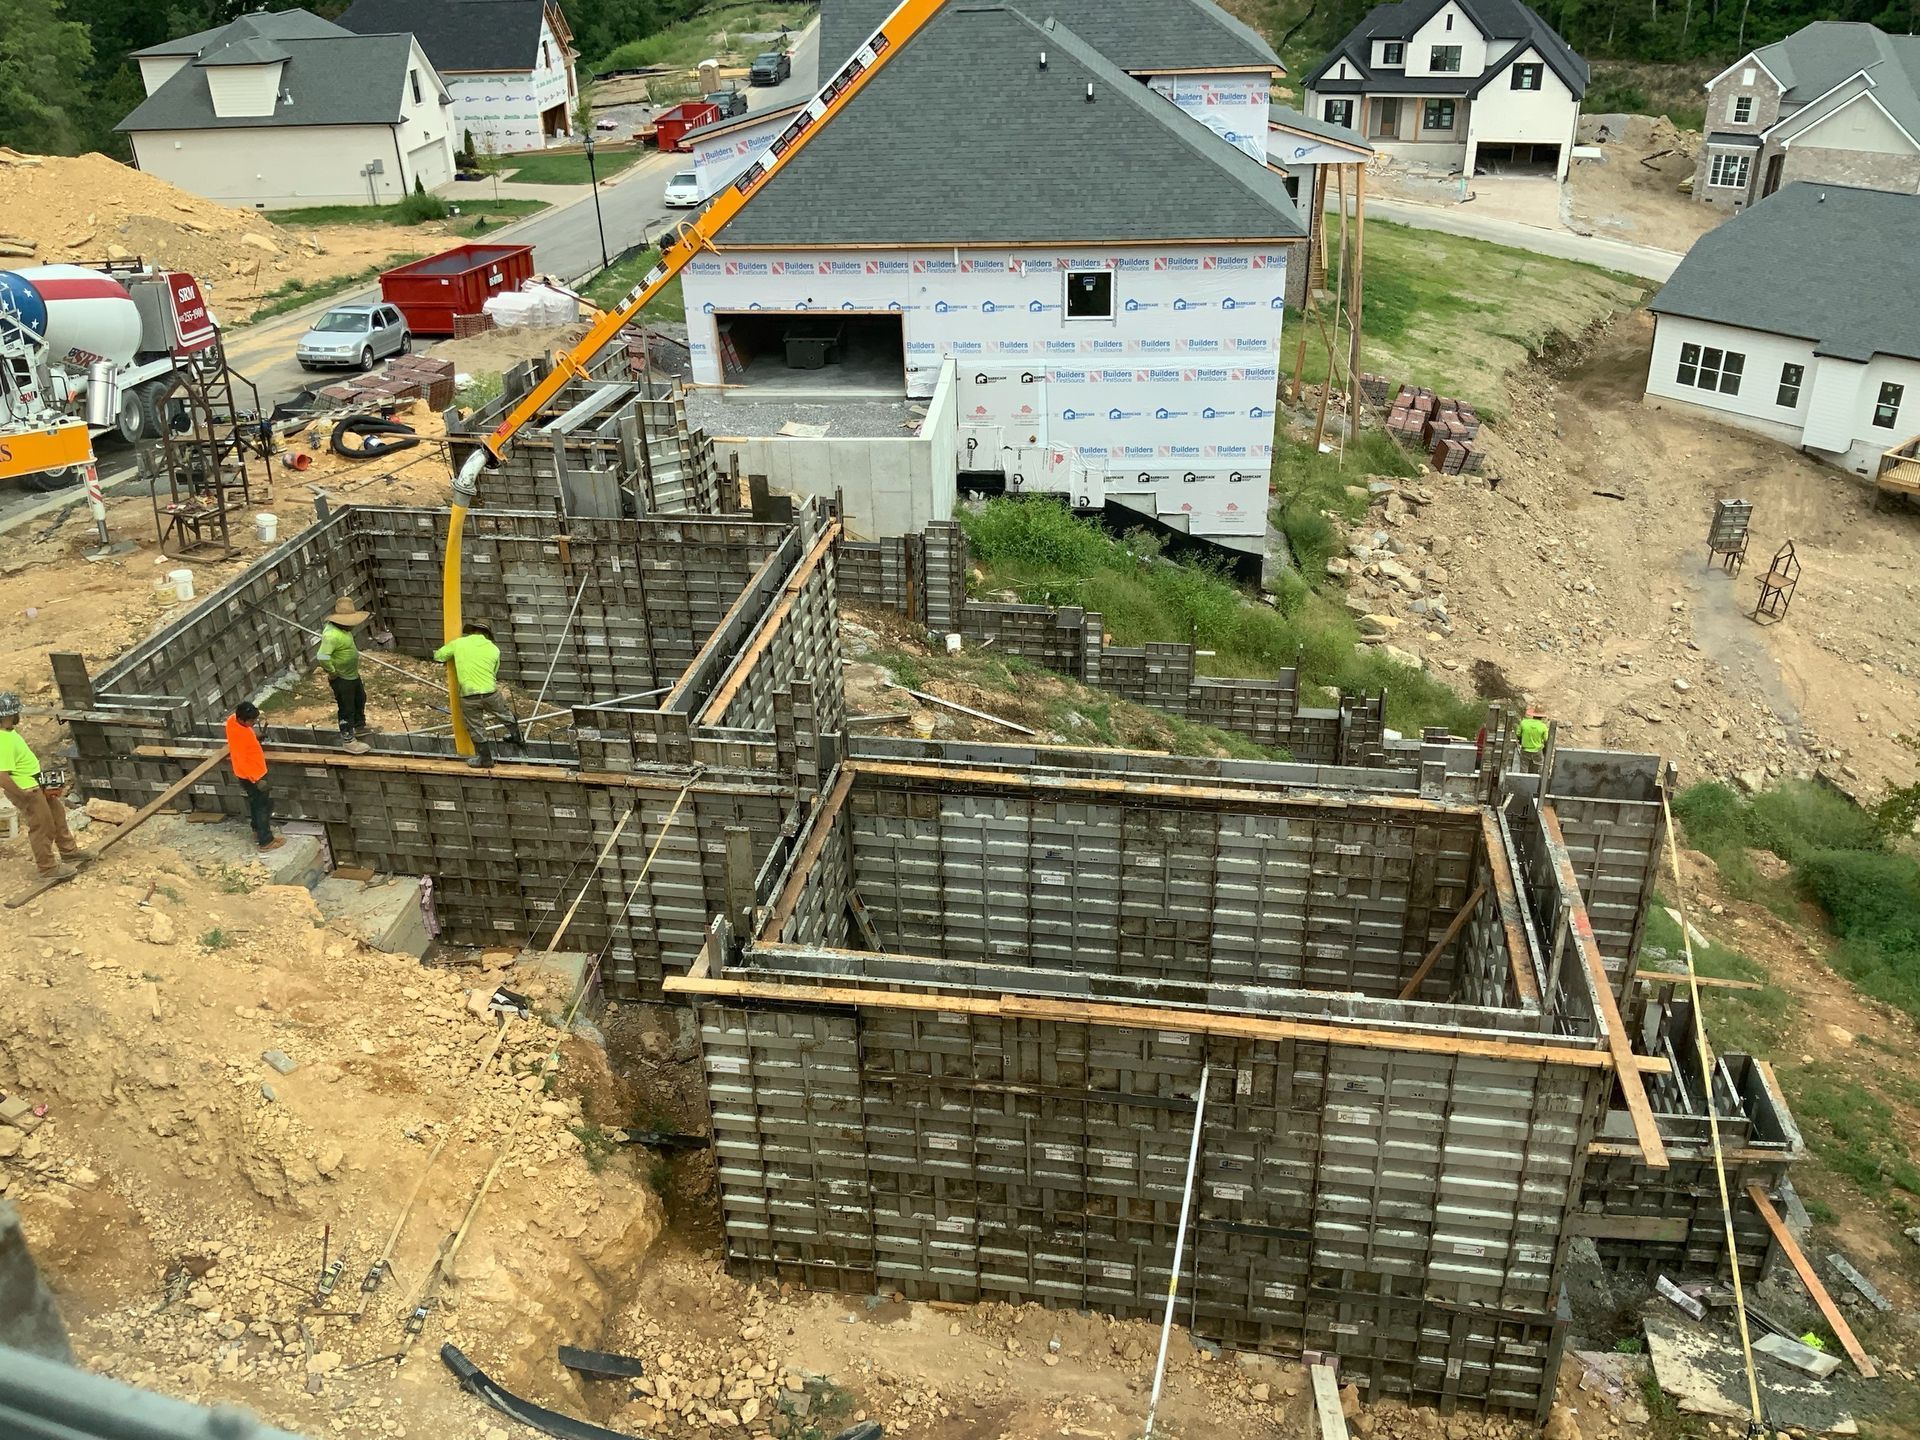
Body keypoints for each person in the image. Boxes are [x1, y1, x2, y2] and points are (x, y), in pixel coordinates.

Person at [0, 692, 85, 881]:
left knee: (57, 815)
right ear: (9, 715)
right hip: (27, 790)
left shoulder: (9, 733)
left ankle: (69, 851)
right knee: (42, 826)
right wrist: (22, 794)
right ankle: (47, 869)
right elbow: (2, 777)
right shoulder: (2, 741)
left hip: (36, 784)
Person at [434, 622, 521, 768]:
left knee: (476, 726)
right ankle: (517, 737)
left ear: (471, 631)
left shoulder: (458, 643)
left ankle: (485, 759)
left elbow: (439, 656)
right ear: (487, 635)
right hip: (490, 692)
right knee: (504, 714)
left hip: (469, 695)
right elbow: (494, 672)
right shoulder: (494, 649)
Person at [225, 701, 283, 851]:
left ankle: (257, 830)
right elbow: (241, 761)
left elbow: (246, 732)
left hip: (251, 774)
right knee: (263, 807)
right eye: (252, 721)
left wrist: (255, 737)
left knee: (255, 804)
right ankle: (266, 841)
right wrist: (256, 780)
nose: (254, 723)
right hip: (253, 776)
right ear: (242, 719)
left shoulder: (232, 721)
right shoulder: (240, 736)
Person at [316, 595, 370, 746]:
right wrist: (332, 671)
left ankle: (359, 726)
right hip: (341, 677)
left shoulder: (344, 631)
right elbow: (322, 656)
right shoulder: (331, 635)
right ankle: (347, 737)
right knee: (346, 706)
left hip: (352, 674)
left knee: (360, 698)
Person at [1516, 707, 1550, 773]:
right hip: (1537, 751)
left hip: (1525, 749)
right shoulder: (1543, 726)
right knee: (1539, 767)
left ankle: (1523, 778)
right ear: (1542, 717)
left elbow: (1518, 734)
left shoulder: (1524, 723)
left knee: (1524, 768)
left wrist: (1521, 741)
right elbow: (1546, 739)